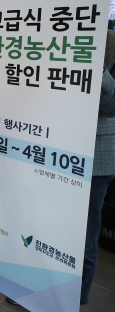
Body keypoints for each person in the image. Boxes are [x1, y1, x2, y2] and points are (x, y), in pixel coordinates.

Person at [80, 29, 115, 305]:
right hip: (58, 146)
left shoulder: (111, 43)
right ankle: (42, 286)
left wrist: (95, 62)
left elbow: (110, 105)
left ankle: (77, 295)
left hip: (97, 155)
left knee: (87, 230)